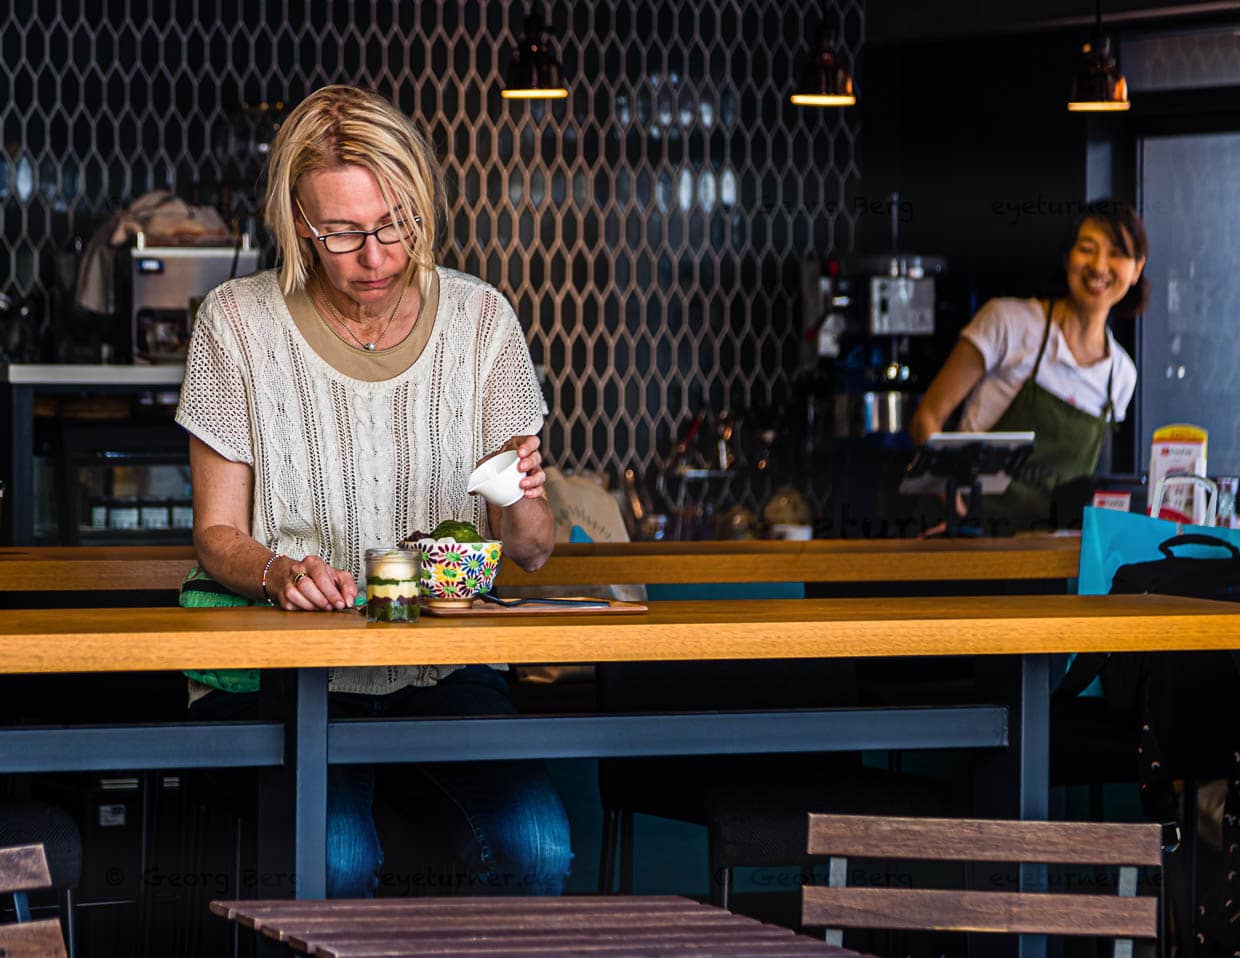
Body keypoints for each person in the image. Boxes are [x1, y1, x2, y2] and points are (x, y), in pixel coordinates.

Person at [173, 85, 571, 897]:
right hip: (286, 671)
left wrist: (524, 498)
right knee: (340, 860)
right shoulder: (236, 323)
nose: (377, 256)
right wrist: (278, 572)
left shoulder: (482, 320)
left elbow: (530, 552)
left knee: (538, 847)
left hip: (445, 670)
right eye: (345, 232)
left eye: (395, 225)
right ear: (297, 222)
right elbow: (216, 533)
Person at [909, 201, 1148, 532]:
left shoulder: (1121, 375)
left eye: (1116, 253)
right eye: (1087, 249)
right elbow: (927, 416)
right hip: (962, 536)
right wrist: (954, 507)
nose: (1099, 266)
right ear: (1067, 258)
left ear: (1137, 269)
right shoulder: (1008, 322)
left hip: (1045, 553)